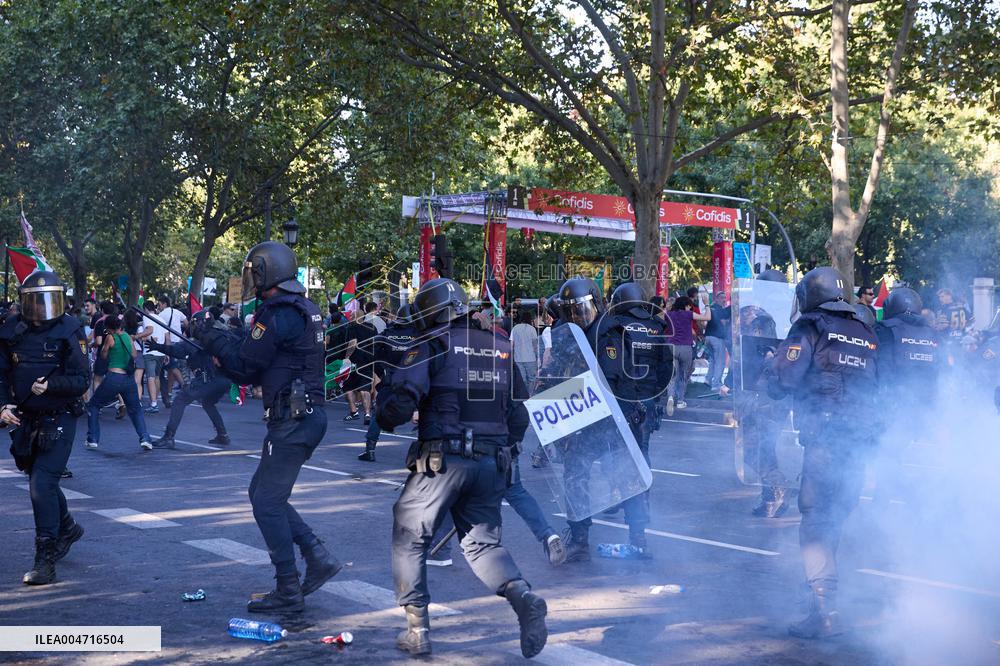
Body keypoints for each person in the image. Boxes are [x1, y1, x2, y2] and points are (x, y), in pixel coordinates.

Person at [375, 278, 547, 658]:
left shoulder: (434, 344)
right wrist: (501, 449)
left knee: (409, 532)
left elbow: (399, 407)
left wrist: (384, 407)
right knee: (482, 544)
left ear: (431, 313)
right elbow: (520, 414)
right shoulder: (502, 345)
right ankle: (523, 597)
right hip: (491, 462)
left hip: (444, 460)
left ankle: (417, 630)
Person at [201, 241, 341, 613]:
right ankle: (316, 556)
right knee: (262, 493)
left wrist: (210, 335)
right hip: (304, 417)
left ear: (264, 273)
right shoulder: (305, 308)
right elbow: (265, 359)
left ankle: (289, 587)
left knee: (266, 502)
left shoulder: (276, 312)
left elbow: (246, 367)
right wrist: (224, 343)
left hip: (292, 421)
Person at [768, 266, 879, 639]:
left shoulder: (810, 326)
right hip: (860, 443)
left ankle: (823, 609)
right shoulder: (864, 329)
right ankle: (821, 599)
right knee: (834, 518)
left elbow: (786, 377)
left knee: (815, 520)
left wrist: (769, 368)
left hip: (827, 440)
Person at [0, 271, 90, 585]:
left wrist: (51, 384)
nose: (41, 309)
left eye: (47, 300)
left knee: (41, 484)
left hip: (59, 415)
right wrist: (3, 404)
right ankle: (67, 527)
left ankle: (45, 559)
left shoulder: (70, 329)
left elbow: (82, 380)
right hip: (24, 417)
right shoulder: (11, 329)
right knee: (41, 481)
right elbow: (1, 372)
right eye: (34, 301)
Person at [553, 278, 639, 561]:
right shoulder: (568, 336)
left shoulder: (609, 334)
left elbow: (609, 378)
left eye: (581, 309)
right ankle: (579, 536)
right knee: (574, 475)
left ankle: (638, 537)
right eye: (571, 312)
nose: (577, 317)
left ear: (596, 304)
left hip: (612, 421)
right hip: (583, 420)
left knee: (626, 477)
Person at [608, 282, 674, 550]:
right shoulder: (657, 327)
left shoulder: (614, 326)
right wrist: (655, 399)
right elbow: (665, 367)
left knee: (619, 459)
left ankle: (626, 505)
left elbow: (609, 368)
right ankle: (639, 506)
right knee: (641, 456)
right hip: (646, 402)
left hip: (623, 401)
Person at [872, 288, 940, 502]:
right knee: (898, 454)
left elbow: (877, 366)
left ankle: (883, 506)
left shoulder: (885, 329)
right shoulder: (931, 333)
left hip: (891, 405)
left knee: (883, 455)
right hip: (922, 407)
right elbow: (940, 372)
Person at [149, 311, 232, 449]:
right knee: (208, 403)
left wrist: (158, 347)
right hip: (225, 380)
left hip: (207, 379)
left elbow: (179, 351)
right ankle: (222, 435)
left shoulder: (198, 341)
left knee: (179, 401)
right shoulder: (221, 337)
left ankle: (169, 437)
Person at [85, 308, 152, 452]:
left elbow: (103, 356)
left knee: (94, 405)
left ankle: (93, 438)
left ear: (108, 327)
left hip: (114, 377)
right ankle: (145, 438)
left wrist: (106, 349)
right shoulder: (128, 336)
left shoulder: (110, 337)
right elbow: (134, 354)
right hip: (128, 379)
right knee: (135, 410)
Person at [359, 304, 417, 462]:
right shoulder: (419, 335)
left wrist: (381, 374)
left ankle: (370, 450)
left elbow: (370, 355)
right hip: (414, 380)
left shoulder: (387, 333)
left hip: (391, 379)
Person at [665, 296, 711, 414]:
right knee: (683, 375)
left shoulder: (669, 314)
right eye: (689, 305)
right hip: (685, 347)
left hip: (671, 346)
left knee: (672, 375)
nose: (690, 307)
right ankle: (680, 401)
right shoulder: (689, 314)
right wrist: (706, 304)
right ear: (686, 305)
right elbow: (707, 317)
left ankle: (670, 397)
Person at [342, 305, 377, 422]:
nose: (350, 317)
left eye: (352, 315)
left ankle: (353, 411)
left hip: (354, 361)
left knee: (348, 386)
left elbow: (352, 343)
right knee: (365, 387)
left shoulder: (352, 327)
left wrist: (346, 357)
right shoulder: (372, 327)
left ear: (356, 317)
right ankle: (367, 414)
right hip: (368, 360)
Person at [156, 295, 187, 406]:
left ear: (164, 303)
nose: (158, 306)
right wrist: (183, 334)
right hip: (178, 342)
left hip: (167, 342)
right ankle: (169, 393)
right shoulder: (177, 312)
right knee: (171, 368)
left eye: (159, 304)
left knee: (172, 367)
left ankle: (184, 386)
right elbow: (187, 323)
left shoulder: (161, 314)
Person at [703, 301, 732, 394]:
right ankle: (716, 384)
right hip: (716, 338)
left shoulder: (712, 308)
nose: (724, 300)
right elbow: (724, 319)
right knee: (720, 361)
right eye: (722, 298)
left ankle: (708, 379)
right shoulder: (722, 310)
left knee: (713, 360)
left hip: (708, 337)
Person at [510, 309, 539, 395]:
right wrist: (538, 357)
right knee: (532, 379)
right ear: (530, 319)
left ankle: (522, 396)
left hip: (518, 358)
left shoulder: (515, 328)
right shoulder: (532, 329)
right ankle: (530, 395)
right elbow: (535, 345)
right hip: (531, 358)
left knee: (522, 379)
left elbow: (511, 344)